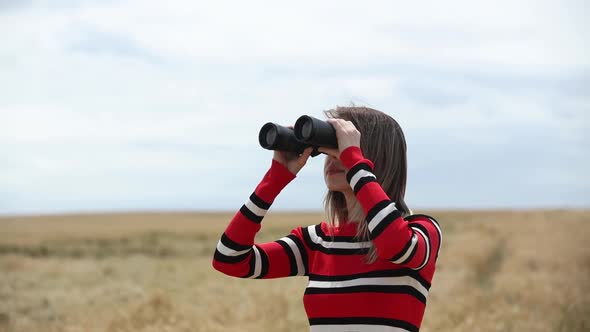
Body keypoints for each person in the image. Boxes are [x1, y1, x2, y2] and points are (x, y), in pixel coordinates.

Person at [212, 106, 442, 332]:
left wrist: (354, 162)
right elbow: (229, 260)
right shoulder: (316, 241)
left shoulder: (421, 231)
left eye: (341, 147)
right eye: (328, 150)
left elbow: (395, 245)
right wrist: (275, 178)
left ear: (375, 157)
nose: (333, 159)